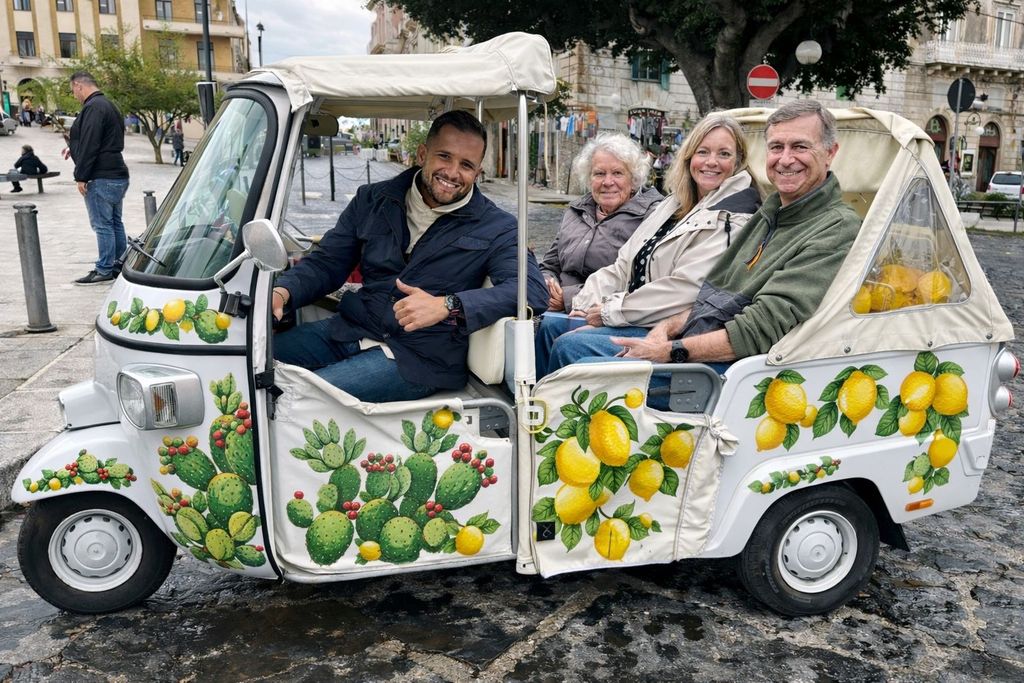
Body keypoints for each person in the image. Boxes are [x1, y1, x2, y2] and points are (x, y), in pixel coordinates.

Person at [271, 110, 549, 403]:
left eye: (466, 165)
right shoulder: (373, 200)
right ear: (421, 154)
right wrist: (283, 291)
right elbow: (328, 262)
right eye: (444, 156)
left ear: (478, 173)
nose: (453, 173)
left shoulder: (499, 227)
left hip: (420, 358)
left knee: (301, 396)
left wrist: (449, 305)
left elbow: (531, 291)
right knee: (253, 365)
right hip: (352, 328)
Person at [610, 100, 861, 369]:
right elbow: (713, 298)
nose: (786, 159)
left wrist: (669, 351)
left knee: (575, 358)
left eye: (800, 146)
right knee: (567, 342)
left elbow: (761, 327)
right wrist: (666, 327)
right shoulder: (770, 213)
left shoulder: (836, 228)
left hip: (725, 373)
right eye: (777, 147)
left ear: (830, 153)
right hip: (690, 346)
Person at [539, 113, 761, 376]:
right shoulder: (675, 203)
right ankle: (537, 407)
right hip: (636, 312)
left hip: (676, 327)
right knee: (549, 326)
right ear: (689, 157)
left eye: (724, 154)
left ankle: (558, 412)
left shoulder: (733, 217)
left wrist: (610, 312)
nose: (711, 162)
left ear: (738, 162)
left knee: (570, 345)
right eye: (703, 152)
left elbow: (685, 288)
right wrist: (582, 305)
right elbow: (624, 265)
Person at [539, 133, 663, 315]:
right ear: (589, 178)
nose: (607, 182)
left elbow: (637, 280)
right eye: (599, 173)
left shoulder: (651, 215)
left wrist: (568, 298)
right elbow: (550, 265)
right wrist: (547, 285)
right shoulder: (576, 210)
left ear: (634, 178)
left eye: (618, 173)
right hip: (554, 306)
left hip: (604, 314)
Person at [67, 71, 130, 285]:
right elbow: (99, 140)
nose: (74, 95)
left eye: (73, 90)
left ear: (78, 85)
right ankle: (119, 264)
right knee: (114, 222)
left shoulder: (93, 107)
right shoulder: (109, 105)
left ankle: (104, 268)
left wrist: (81, 176)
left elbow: (91, 142)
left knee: (103, 225)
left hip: (101, 175)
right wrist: (72, 148)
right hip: (117, 173)